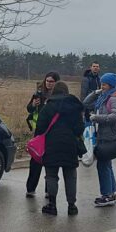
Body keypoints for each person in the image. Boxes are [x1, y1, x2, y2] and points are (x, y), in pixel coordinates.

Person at [35, 82, 85, 216]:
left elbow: (40, 127)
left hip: (51, 144)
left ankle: (52, 204)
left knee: (51, 176)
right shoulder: (74, 107)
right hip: (70, 144)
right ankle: (72, 205)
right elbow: (80, 128)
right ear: (66, 91)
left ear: (54, 92)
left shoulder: (48, 107)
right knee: (71, 176)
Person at [85, 73, 116, 207]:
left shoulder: (113, 99)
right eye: (101, 84)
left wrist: (97, 117)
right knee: (106, 165)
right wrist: (95, 92)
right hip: (101, 134)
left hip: (108, 135)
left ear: (111, 85)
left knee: (103, 165)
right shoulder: (102, 97)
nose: (102, 86)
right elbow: (86, 103)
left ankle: (106, 195)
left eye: (104, 84)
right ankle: (111, 192)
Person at [26, 72, 60, 198]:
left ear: (56, 82)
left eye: (51, 81)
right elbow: (29, 109)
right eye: (47, 81)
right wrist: (33, 105)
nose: (49, 83)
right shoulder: (39, 94)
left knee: (50, 161)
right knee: (35, 159)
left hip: (53, 132)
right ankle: (30, 188)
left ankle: (49, 190)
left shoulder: (58, 96)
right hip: (39, 132)